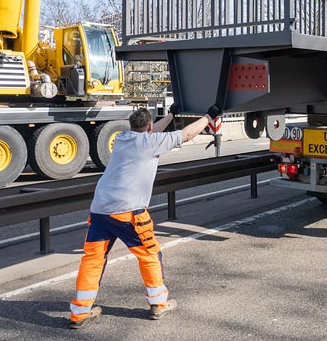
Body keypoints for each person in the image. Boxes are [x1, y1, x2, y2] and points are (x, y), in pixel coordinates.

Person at [68, 102, 222, 329]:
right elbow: (188, 134)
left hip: (100, 210)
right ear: (149, 126)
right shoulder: (152, 143)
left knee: (93, 260)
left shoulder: (122, 139)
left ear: (132, 125)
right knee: (150, 254)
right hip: (127, 212)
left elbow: (152, 130)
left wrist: (170, 116)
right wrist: (209, 116)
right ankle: (159, 303)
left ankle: (80, 312)